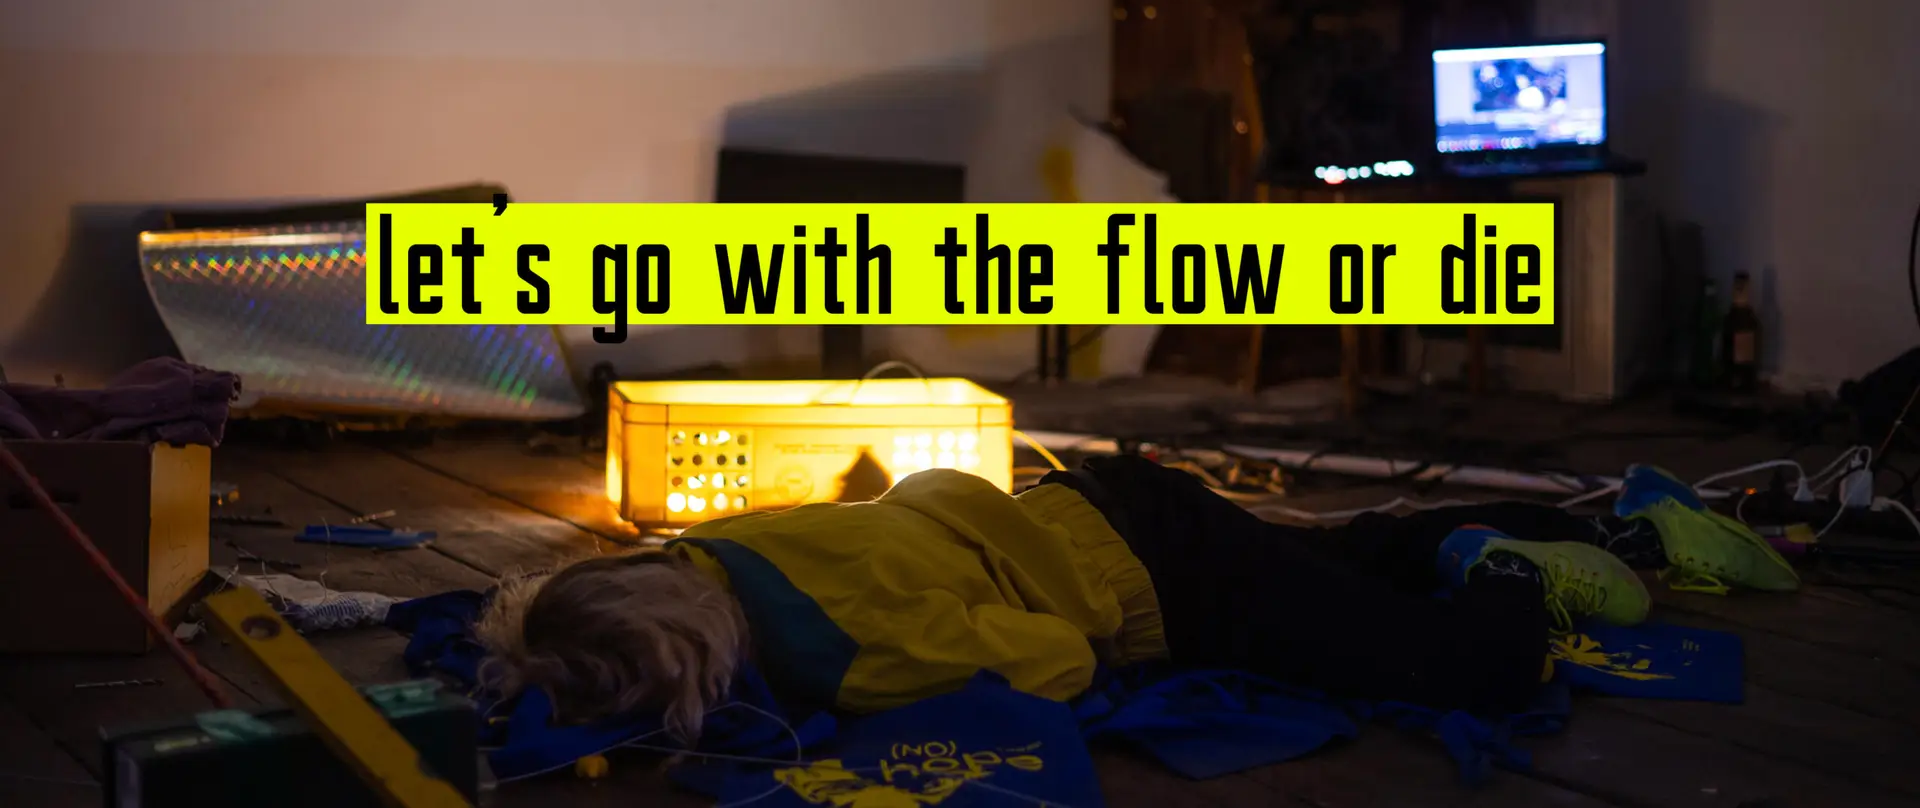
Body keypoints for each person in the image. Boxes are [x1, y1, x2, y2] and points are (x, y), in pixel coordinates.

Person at [477, 455, 1796, 741]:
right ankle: (1608, 521)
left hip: (1160, 587)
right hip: (1098, 498)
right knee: (1346, 560)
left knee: (1465, 672)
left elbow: (1055, 659)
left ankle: (1507, 580)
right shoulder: (717, 544)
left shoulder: (850, 660)